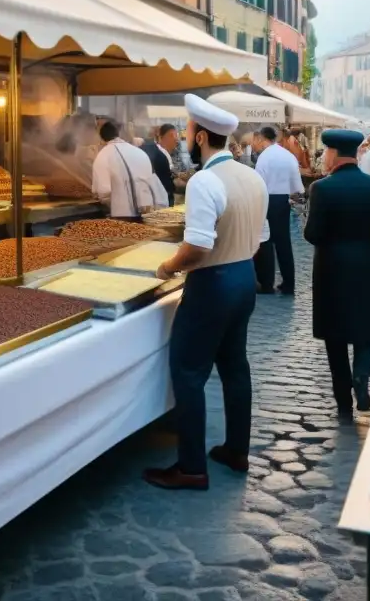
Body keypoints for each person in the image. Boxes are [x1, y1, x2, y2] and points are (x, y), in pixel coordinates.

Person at [145, 95, 269, 491]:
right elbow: (260, 237)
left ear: (199, 137)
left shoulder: (204, 180)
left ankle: (192, 466)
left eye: (187, 131)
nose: (185, 137)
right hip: (244, 277)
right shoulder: (252, 176)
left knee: (188, 371)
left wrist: (168, 267)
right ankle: (237, 450)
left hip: (212, 283)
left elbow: (197, 246)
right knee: (235, 367)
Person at [306, 129, 370, 415]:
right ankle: (362, 376)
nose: (323, 158)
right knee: (365, 326)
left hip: (331, 266)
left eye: (325, 153)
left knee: (334, 333)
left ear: (333, 154)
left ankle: (343, 397)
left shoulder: (322, 188)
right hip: (364, 262)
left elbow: (313, 235)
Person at [252, 126, 302, 295]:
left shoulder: (264, 158)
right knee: (284, 243)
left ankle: (267, 284)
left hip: (267, 199)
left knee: (265, 240)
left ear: (260, 138)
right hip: (283, 200)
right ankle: (289, 283)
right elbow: (297, 184)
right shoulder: (287, 155)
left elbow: (258, 184)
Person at [91, 121, 166, 220]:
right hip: (149, 212)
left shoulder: (103, 155)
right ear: (118, 134)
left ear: (102, 139)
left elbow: (103, 191)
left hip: (123, 215)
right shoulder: (139, 152)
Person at [141, 124, 177, 207]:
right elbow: (169, 180)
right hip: (161, 199)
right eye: (171, 136)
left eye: (176, 135)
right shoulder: (162, 154)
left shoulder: (159, 151)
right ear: (161, 137)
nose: (176, 139)